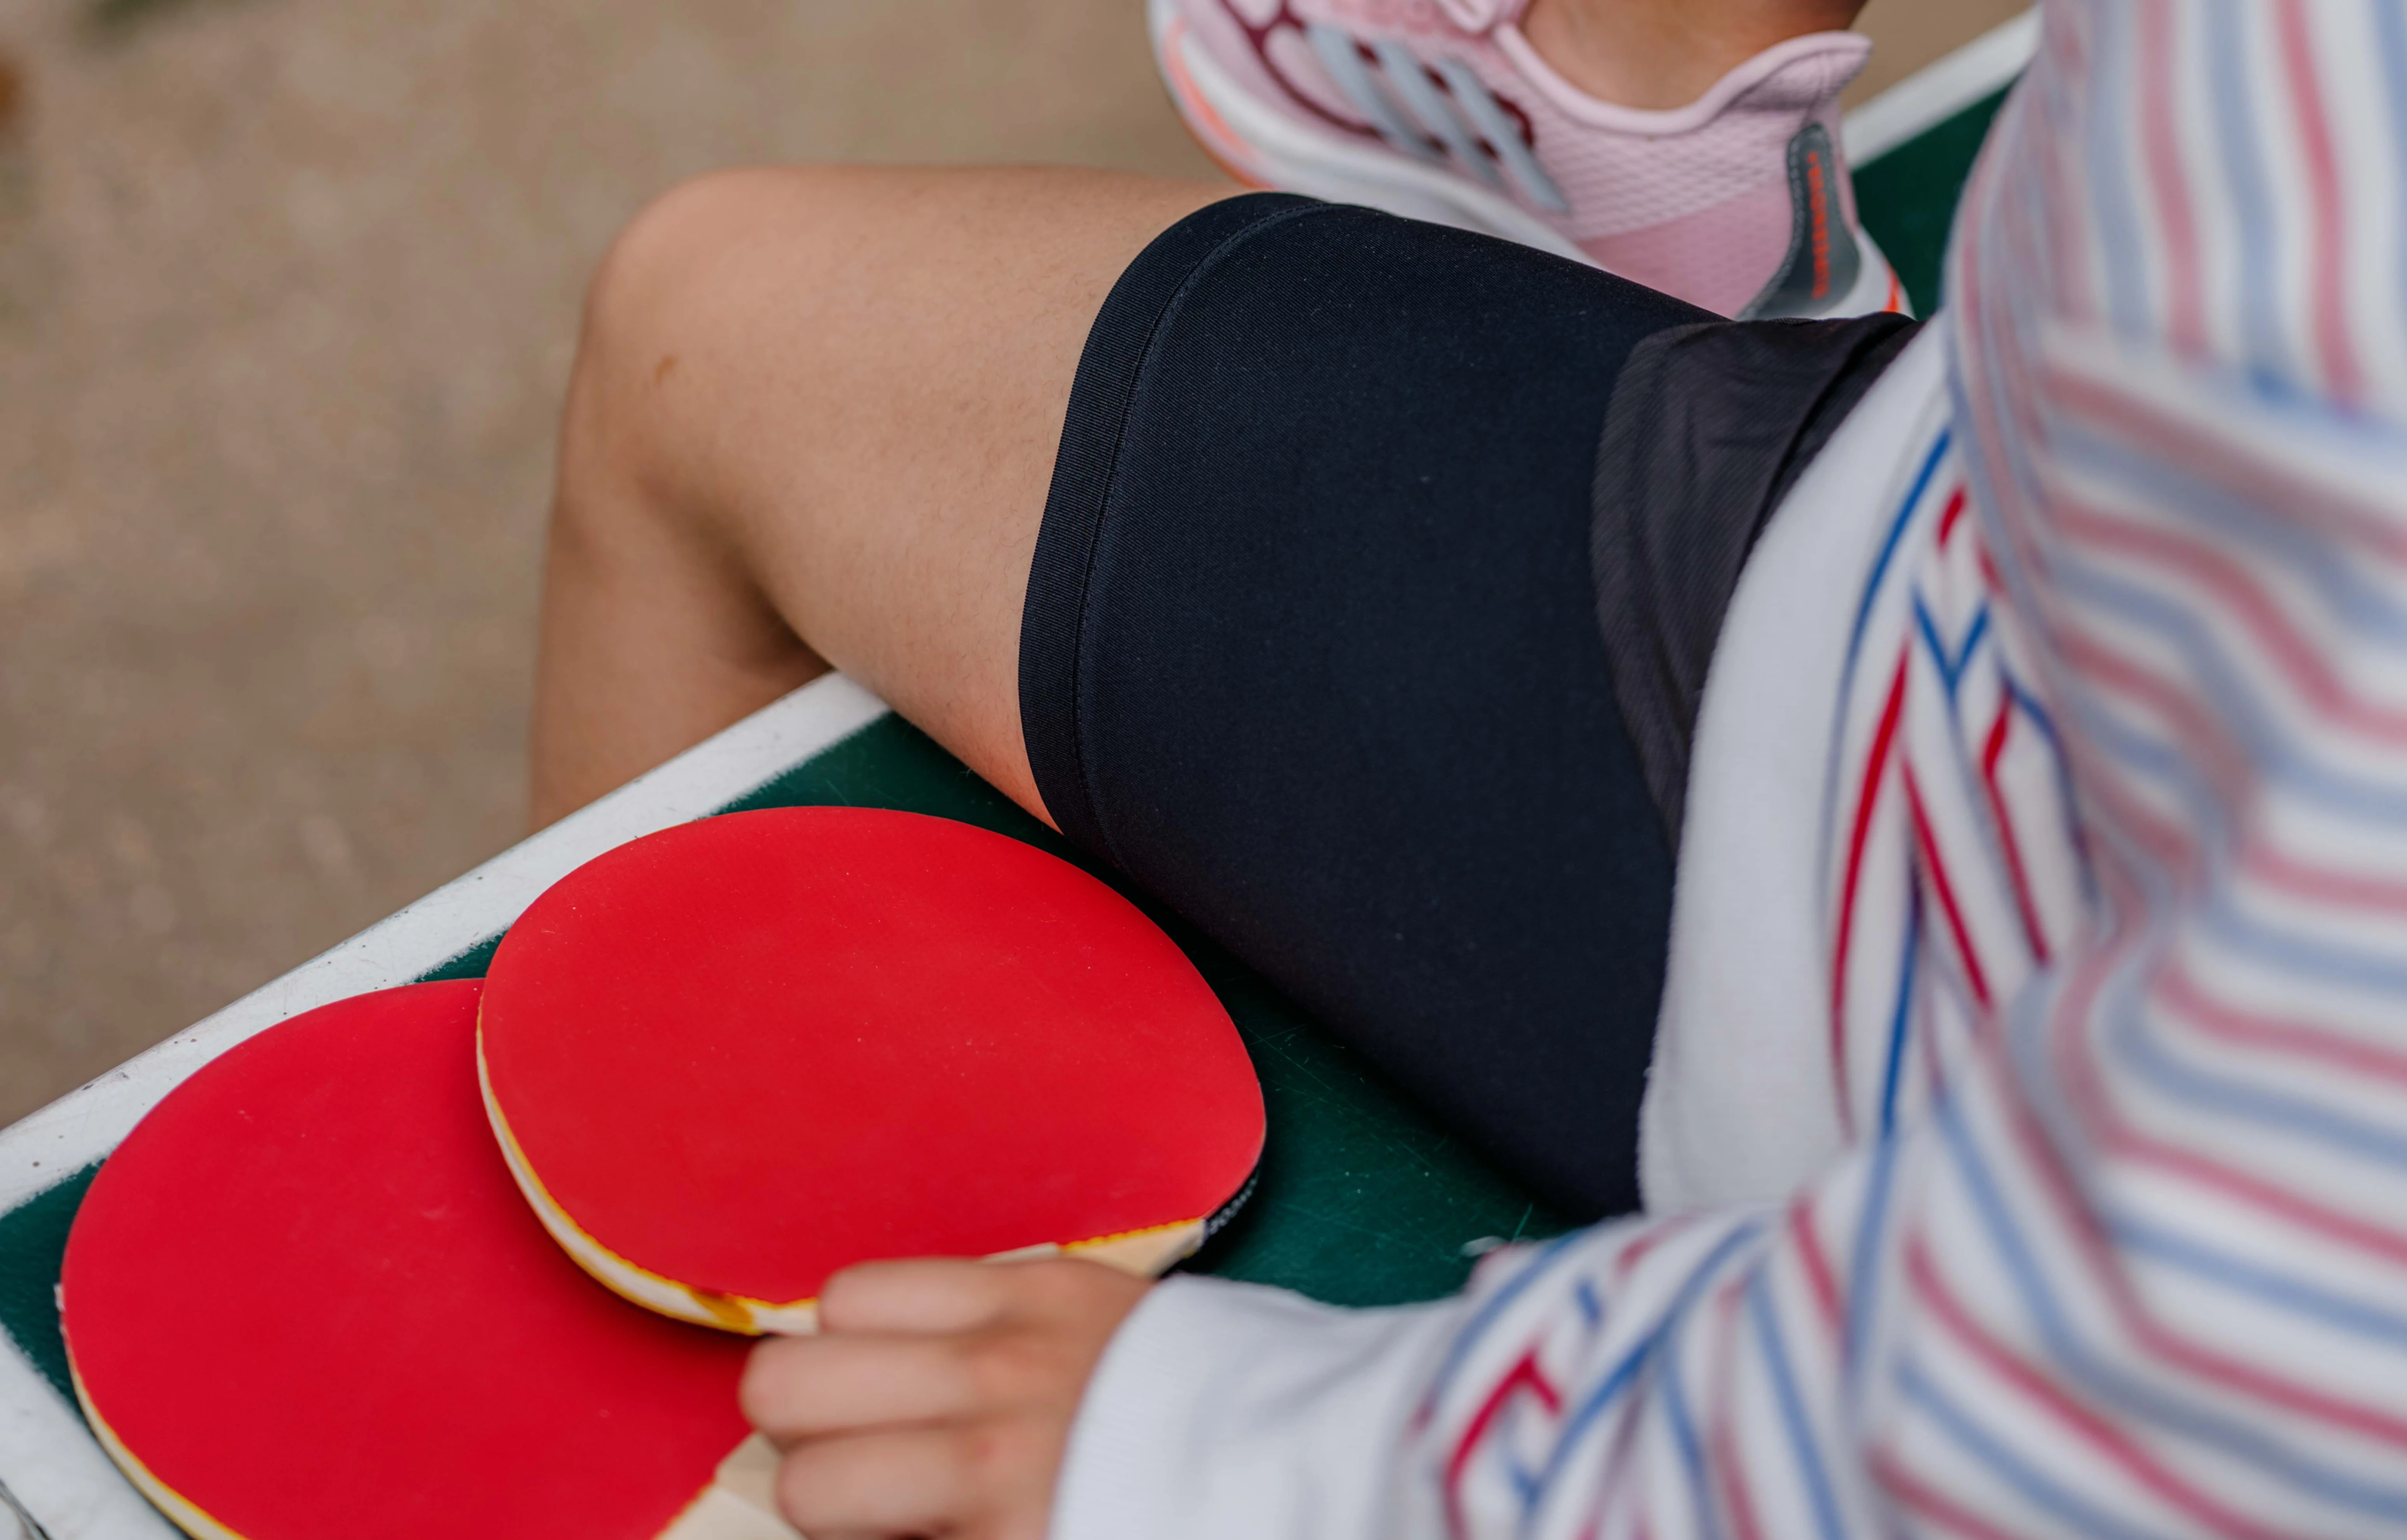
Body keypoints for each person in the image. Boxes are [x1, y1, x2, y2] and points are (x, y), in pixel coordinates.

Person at [529, 0, 2407, 1535]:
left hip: (1901, 954)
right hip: (2043, 588)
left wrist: (1225, 1469)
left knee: (708, 327)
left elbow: (2264, 1317)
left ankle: (613, 1446)